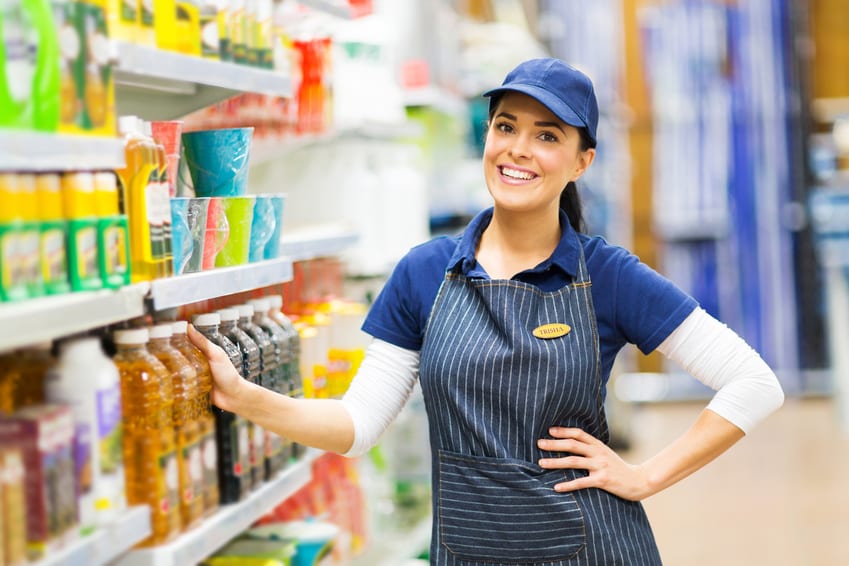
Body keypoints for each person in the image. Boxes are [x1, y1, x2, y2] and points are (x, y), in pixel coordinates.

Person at [188, 58, 785, 565]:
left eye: (548, 135)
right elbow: (359, 425)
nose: (518, 150)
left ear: (582, 162)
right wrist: (246, 398)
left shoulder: (605, 274)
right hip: (466, 548)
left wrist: (646, 476)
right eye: (506, 126)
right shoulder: (425, 274)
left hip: (590, 547)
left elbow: (753, 382)